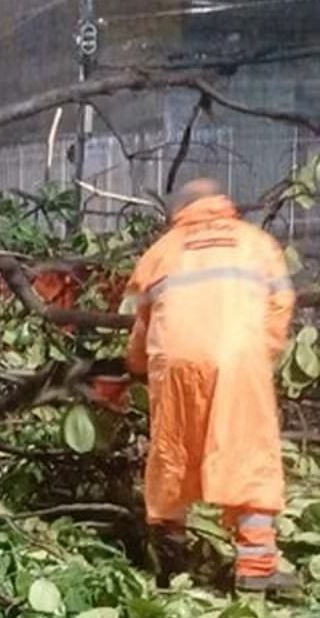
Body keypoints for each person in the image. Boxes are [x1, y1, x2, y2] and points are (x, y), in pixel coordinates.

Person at [125, 178, 297, 592]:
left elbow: (141, 325)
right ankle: (256, 569)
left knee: (172, 455)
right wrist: (258, 357)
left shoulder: (161, 252)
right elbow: (280, 308)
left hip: (175, 365)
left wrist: (134, 367)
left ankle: (170, 563)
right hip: (239, 360)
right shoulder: (257, 244)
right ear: (222, 204)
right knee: (248, 454)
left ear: (178, 212)